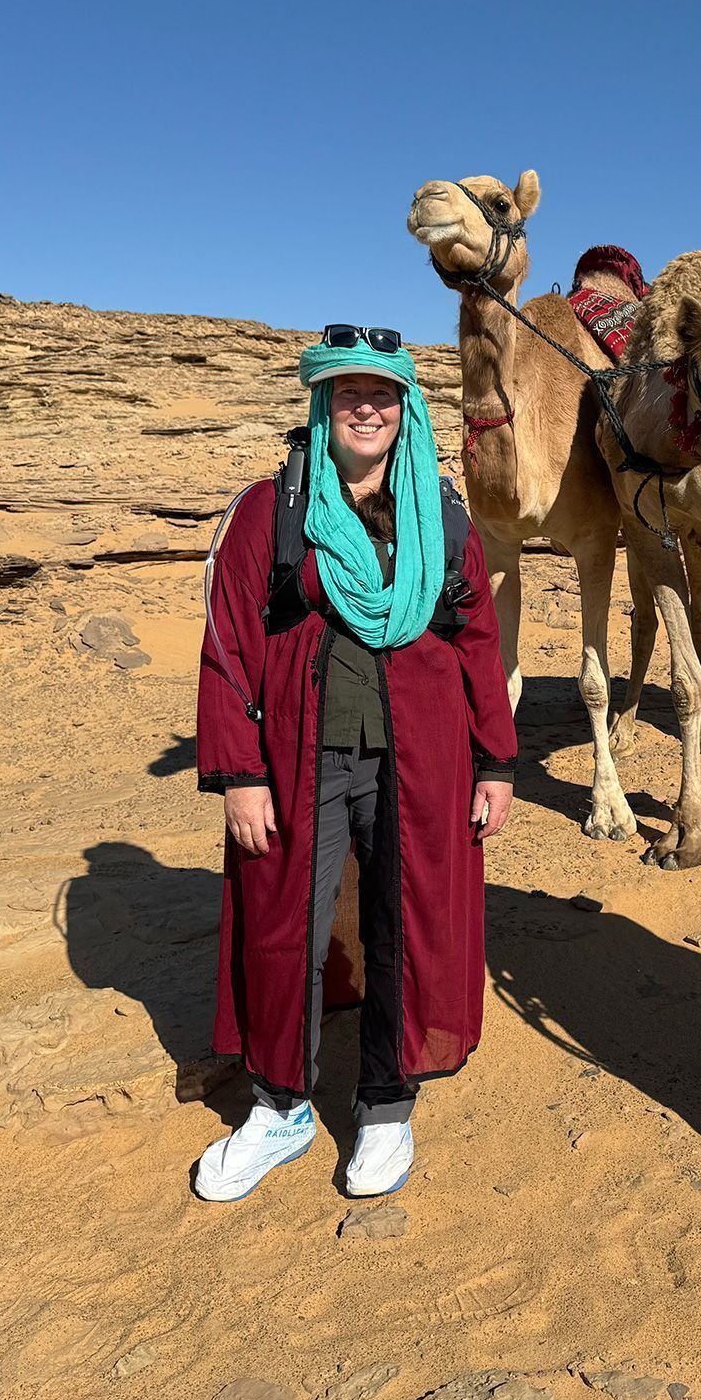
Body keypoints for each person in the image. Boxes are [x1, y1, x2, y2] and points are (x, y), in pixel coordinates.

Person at [194, 326, 516, 1202]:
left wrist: (496, 762)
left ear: (403, 408)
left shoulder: (438, 515)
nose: (366, 409)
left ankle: (384, 1104)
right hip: (297, 754)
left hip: (423, 757)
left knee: (407, 925)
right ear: (323, 406)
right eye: (348, 395)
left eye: (382, 395)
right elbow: (227, 641)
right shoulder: (273, 509)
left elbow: (476, 640)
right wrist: (239, 773)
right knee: (280, 919)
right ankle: (282, 1104)